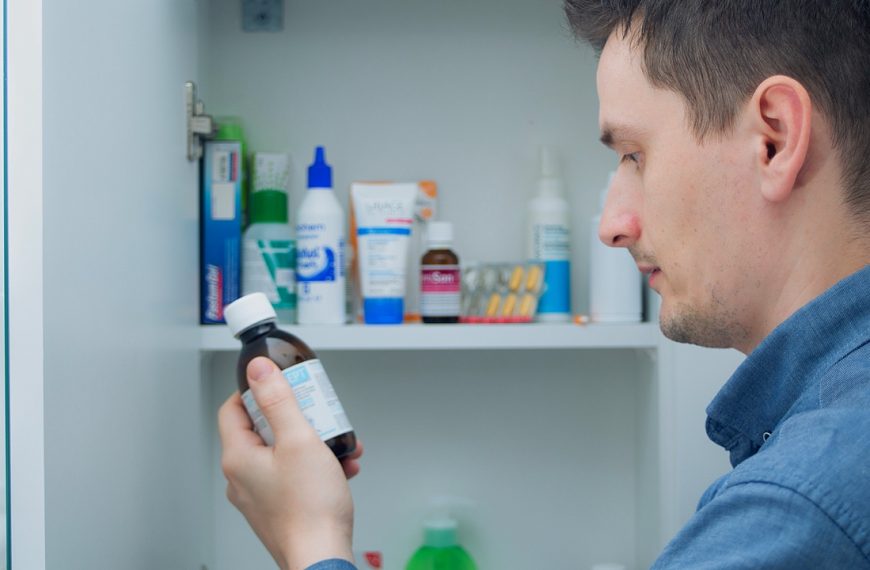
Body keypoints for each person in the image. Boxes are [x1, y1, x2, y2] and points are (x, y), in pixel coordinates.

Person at [218, 1, 870, 568]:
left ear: (774, 139)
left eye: (634, 155)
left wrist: (311, 540)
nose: (612, 226)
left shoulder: (804, 504)